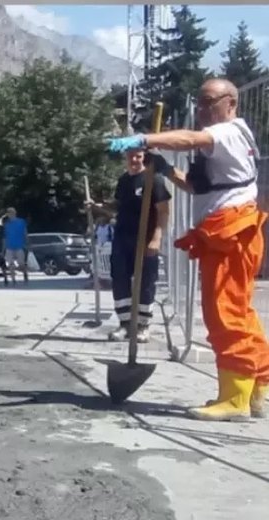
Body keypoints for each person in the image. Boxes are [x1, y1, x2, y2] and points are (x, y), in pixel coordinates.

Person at [108, 78, 269, 421]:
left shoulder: (227, 132)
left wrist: (144, 139)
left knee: (224, 313)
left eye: (209, 102)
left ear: (231, 103)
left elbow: (191, 138)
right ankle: (257, 387)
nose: (202, 110)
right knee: (240, 312)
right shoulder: (224, 142)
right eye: (199, 102)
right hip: (232, 232)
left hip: (231, 233)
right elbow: (197, 187)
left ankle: (235, 398)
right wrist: (165, 169)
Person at [93, 149, 171, 343]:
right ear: (126, 158)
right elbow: (118, 207)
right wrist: (96, 206)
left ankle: (143, 326)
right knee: (119, 279)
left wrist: (156, 238)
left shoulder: (155, 180)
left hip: (145, 239)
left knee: (145, 281)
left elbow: (164, 211)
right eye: (130, 156)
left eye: (138, 156)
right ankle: (125, 324)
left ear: (144, 157)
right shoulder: (124, 181)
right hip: (122, 238)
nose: (134, 160)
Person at [2, 207, 28, 284]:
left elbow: (25, 233)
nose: (10, 214)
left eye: (11, 212)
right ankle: (13, 279)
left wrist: (27, 243)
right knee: (10, 264)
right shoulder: (6, 224)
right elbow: (5, 236)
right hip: (9, 246)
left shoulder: (21, 221)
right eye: (9, 213)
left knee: (21, 263)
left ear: (15, 213)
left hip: (19, 245)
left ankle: (25, 273)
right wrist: (3, 247)